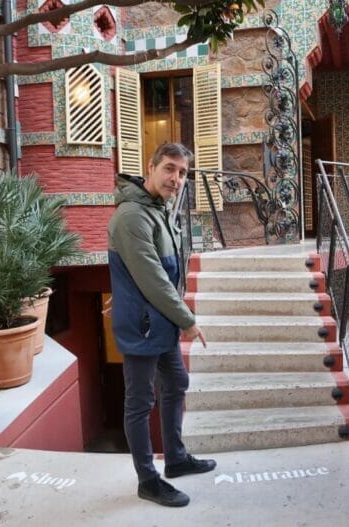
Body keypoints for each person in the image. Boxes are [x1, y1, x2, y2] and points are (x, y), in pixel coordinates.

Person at [107, 142, 214, 507]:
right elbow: (152, 278)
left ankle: (177, 458)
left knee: (177, 382)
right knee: (139, 401)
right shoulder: (132, 215)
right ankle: (147, 480)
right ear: (150, 168)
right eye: (169, 168)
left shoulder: (155, 209)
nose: (176, 178)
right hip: (144, 324)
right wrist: (187, 320)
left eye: (183, 173)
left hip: (158, 319)